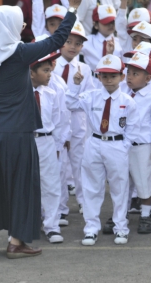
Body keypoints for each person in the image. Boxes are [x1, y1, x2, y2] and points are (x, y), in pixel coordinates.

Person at [0, 0, 84, 258]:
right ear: (7, 27)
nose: (24, 26)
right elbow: (57, 41)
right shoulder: (18, 53)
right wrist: (72, 10)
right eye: (19, 23)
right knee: (21, 184)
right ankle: (16, 243)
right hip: (18, 130)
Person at [66, 54, 138, 246]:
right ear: (98, 77)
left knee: (119, 188)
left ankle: (121, 227)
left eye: (113, 76)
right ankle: (91, 228)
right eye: (104, 76)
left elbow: (132, 128)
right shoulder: (91, 96)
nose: (108, 80)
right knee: (91, 187)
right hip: (95, 142)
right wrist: (75, 84)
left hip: (116, 144)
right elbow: (70, 103)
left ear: (122, 77)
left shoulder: (128, 100)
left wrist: (124, 146)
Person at [53, 20, 95, 217]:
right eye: (68, 41)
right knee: (59, 166)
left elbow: (89, 98)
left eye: (77, 44)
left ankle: (82, 201)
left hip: (78, 123)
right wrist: (73, 100)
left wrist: (72, 102)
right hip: (58, 123)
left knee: (80, 164)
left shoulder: (84, 69)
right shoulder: (52, 67)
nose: (72, 47)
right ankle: (60, 207)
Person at [123, 51, 151, 234]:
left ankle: (146, 214)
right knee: (122, 181)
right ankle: (120, 213)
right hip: (124, 145)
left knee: (144, 181)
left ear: (148, 77)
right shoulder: (123, 93)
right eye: (128, 73)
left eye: (135, 74)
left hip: (143, 146)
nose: (129, 77)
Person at [30, 51, 66, 243]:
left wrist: (58, 146)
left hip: (46, 141)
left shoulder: (52, 94)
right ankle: (24, 226)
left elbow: (58, 122)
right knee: (25, 184)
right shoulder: (21, 93)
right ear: (31, 73)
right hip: (26, 141)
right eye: (45, 70)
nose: (50, 73)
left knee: (51, 184)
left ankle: (52, 226)